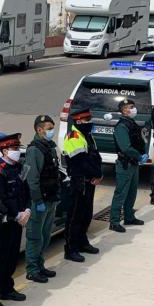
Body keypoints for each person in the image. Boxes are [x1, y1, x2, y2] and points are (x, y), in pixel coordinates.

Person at [0, 133, 31, 306]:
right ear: (4, 150)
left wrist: (27, 209)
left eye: (17, 148)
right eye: (13, 148)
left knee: (12, 256)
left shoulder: (19, 168)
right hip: (3, 222)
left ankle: (6, 288)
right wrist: (16, 214)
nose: (16, 151)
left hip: (18, 220)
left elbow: (26, 191)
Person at [61, 108, 102, 262]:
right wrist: (96, 174)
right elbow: (80, 163)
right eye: (86, 120)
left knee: (86, 215)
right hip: (79, 182)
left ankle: (82, 242)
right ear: (78, 121)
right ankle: (70, 249)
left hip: (89, 182)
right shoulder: (73, 137)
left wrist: (99, 174)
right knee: (75, 217)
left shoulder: (87, 135)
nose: (89, 123)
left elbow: (94, 157)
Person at [25, 115, 60, 284]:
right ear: (39, 130)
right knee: (35, 237)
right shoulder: (34, 150)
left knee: (46, 236)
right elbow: (32, 179)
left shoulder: (49, 147)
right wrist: (37, 200)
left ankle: (40, 265)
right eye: (49, 129)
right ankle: (32, 269)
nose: (52, 131)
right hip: (40, 201)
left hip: (51, 199)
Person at [109, 100, 146, 233]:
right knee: (121, 193)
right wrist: (138, 155)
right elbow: (125, 147)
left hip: (133, 163)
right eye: (131, 107)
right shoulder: (122, 127)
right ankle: (114, 221)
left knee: (131, 192)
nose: (134, 109)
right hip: (125, 164)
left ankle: (129, 216)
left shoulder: (131, 123)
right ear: (124, 110)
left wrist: (143, 153)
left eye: (133, 106)